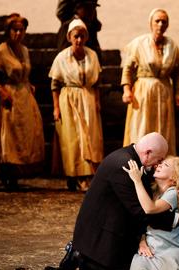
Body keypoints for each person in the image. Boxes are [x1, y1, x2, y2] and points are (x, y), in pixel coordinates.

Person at [35, 132, 179, 270]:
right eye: (159, 159)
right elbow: (141, 211)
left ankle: (88, 261)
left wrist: (176, 192)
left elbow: (150, 189)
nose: (158, 163)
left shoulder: (132, 159)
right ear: (148, 153)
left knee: (132, 268)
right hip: (102, 232)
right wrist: (176, 219)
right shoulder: (125, 164)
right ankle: (81, 256)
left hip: (112, 226)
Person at [0, 13, 44, 190]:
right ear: (8, 31)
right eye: (15, 30)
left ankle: (18, 173)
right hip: (10, 96)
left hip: (24, 96)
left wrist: (29, 84)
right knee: (10, 136)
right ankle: (6, 173)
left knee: (25, 136)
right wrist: (1, 90)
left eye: (21, 30)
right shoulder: (1, 51)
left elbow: (24, 72)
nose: (18, 33)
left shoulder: (24, 50)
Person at [122, 156, 179, 270]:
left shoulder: (172, 192)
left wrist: (137, 181)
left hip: (171, 247)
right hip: (154, 246)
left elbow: (150, 208)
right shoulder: (153, 191)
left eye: (165, 165)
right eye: (160, 163)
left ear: (173, 178)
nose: (159, 165)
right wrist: (142, 240)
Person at [49, 18, 103, 191]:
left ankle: (88, 175)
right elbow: (55, 84)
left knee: (89, 138)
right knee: (73, 140)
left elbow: (96, 83)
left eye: (82, 36)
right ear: (70, 37)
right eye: (76, 36)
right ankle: (74, 175)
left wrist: (96, 101)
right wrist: (56, 107)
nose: (79, 40)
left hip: (87, 97)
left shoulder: (92, 56)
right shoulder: (62, 57)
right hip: (69, 100)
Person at [121, 8, 179, 155]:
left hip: (164, 92)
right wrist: (126, 89)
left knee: (163, 127)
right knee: (142, 125)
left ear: (167, 25)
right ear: (151, 23)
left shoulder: (172, 46)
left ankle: (161, 162)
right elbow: (128, 69)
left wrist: (178, 93)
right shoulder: (139, 43)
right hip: (143, 91)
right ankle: (140, 159)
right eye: (157, 21)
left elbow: (177, 74)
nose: (160, 24)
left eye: (164, 21)